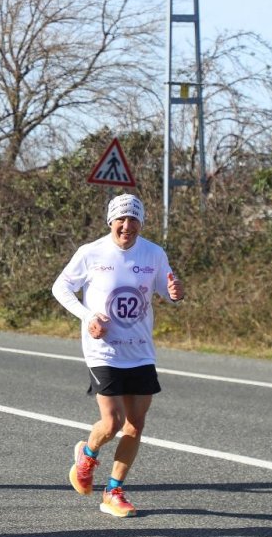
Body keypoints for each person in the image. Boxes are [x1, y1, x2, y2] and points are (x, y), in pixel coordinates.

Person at [51, 193, 183, 518]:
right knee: (112, 423)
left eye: (133, 219)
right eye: (121, 219)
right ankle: (88, 454)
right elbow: (61, 288)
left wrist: (175, 292)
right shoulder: (91, 253)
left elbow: (167, 289)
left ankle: (113, 490)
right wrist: (87, 316)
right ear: (111, 221)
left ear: (141, 223)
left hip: (139, 351)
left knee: (135, 424)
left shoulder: (153, 253)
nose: (127, 226)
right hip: (103, 349)